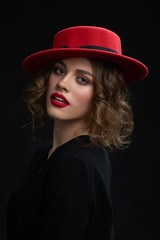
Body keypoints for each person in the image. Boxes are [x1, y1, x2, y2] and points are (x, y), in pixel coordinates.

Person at [6, 25, 148, 240]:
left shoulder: (74, 164)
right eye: (59, 70)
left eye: (82, 79)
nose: (62, 84)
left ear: (103, 94)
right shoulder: (50, 154)